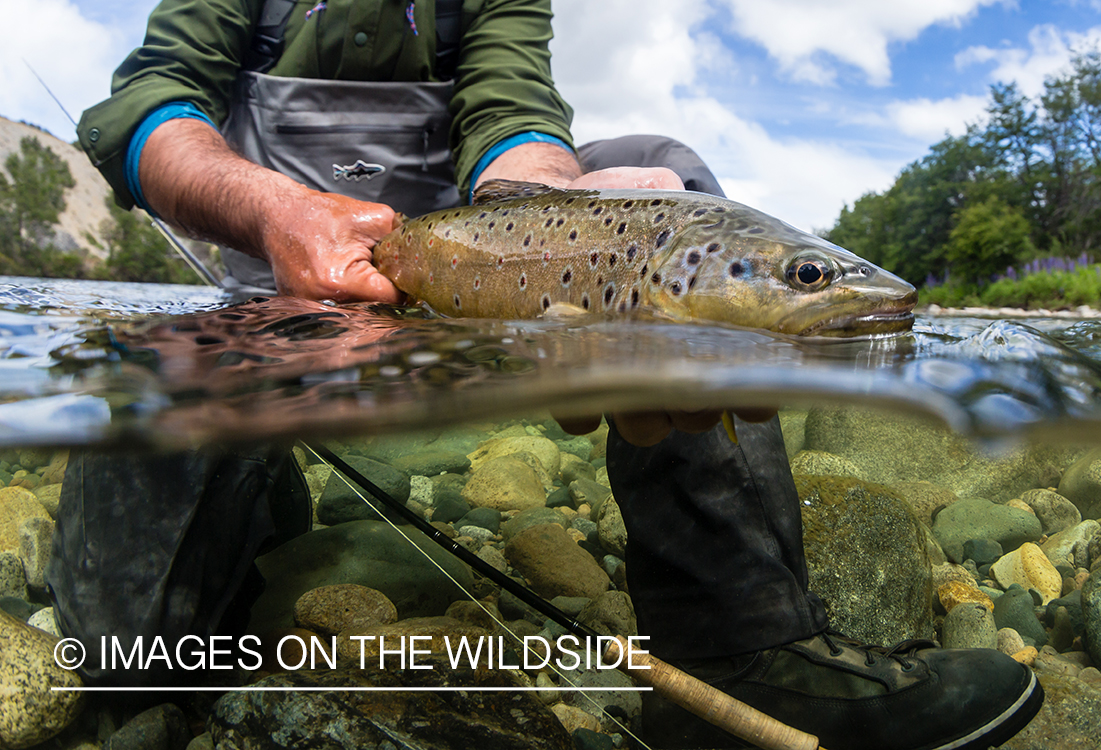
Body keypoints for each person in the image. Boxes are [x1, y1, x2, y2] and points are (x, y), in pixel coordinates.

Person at [55, 1, 1044, 748]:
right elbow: (148, 105)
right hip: (270, 256)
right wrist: (274, 213)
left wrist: (581, 219)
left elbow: (513, 115)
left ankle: (742, 638)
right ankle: (244, 510)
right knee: (122, 664)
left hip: (478, 241)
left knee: (666, 168)